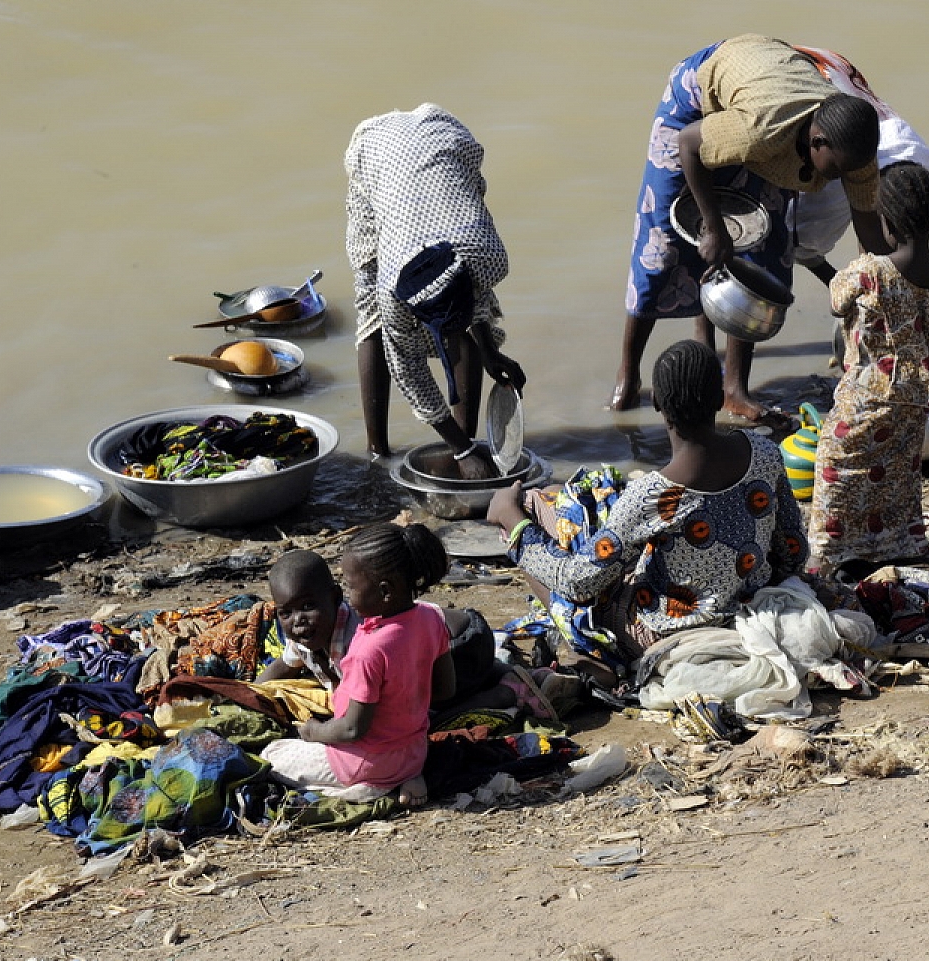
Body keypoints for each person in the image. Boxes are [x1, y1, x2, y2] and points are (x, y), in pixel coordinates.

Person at [609, 35, 890, 428]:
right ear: (816, 141)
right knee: (662, 248)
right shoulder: (761, 129)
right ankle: (628, 375)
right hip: (698, 104)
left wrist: (879, 288)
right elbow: (690, 145)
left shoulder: (853, 148)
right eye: (834, 171)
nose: (839, 181)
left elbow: (868, 226)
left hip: (765, 100)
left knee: (762, 250)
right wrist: (713, 226)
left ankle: (733, 390)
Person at [495, 340, 808, 664]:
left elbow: (576, 583)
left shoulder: (654, 497)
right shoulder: (764, 452)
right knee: (573, 504)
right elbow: (793, 549)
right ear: (720, 399)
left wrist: (513, 523)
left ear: (657, 403)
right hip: (746, 602)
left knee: (531, 506)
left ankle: (590, 652)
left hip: (663, 635)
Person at [346, 103, 526, 479]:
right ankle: (377, 450)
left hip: (444, 143)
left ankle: (468, 438)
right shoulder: (394, 294)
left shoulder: (488, 258)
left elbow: (478, 301)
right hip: (378, 156)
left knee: (464, 330)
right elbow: (410, 377)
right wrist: (459, 452)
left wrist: (492, 352)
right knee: (370, 315)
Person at [805, 162, 929, 577]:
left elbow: (837, 300)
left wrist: (817, 262)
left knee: (835, 472)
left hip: (863, 397)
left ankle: (824, 556)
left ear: (887, 221)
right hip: (912, 400)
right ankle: (899, 544)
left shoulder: (870, 271)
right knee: (895, 477)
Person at [261, 524, 455, 806]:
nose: (348, 596)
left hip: (367, 762)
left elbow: (353, 730)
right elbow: (445, 689)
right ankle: (406, 777)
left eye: (351, 586)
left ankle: (375, 788)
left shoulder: (367, 650)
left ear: (384, 591)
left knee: (270, 755)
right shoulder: (431, 616)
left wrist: (315, 733)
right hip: (414, 752)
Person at [790, 45, 929, 286]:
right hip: (809, 74)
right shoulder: (828, 198)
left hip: (827, 69)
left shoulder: (916, 156)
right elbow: (870, 243)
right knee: (799, 238)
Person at [255, 550, 358, 692]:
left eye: (308, 606)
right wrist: (248, 691)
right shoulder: (305, 636)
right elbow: (285, 666)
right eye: (286, 613)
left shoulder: (357, 641)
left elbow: (365, 705)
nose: (298, 620)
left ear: (335, 598)